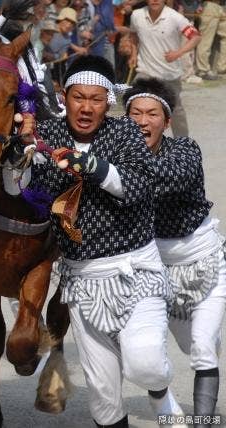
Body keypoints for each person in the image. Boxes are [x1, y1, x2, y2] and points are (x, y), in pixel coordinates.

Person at [30, 55, 182, 428]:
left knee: (145, 363)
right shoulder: (47, 136)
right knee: (103, 397)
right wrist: (21, 160)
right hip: (82, 278)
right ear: (63, 96)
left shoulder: (125, 133)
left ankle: (160, 392)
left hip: (135, 269)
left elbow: (135, 187)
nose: (86, 107)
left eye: (96, 99)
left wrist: (92, 167)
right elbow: (36, 194)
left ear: (110, 100)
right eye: (78, 97)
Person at [124, 77, 225, 428]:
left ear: (166, 122)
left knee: (201, 348)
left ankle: (204, 423)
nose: (142, 120)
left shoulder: (185, 151)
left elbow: (165, 179)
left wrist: (107, 171)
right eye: (134, 113)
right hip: (153, 269)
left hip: (203, 261)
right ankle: (168, 415)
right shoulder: (117, 157)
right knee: (148, 358)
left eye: (152, 113)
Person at [128, 0, 201, 137]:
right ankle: (136, 141)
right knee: (135, 105)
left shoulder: (175, 17)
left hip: (169, 74)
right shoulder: (136, 15)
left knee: (175, 110)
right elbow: (133, 34)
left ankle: (182, 143)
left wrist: (178, 53)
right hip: (145, 71)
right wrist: (133, 54)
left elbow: (195, 37)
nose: (155, 0)